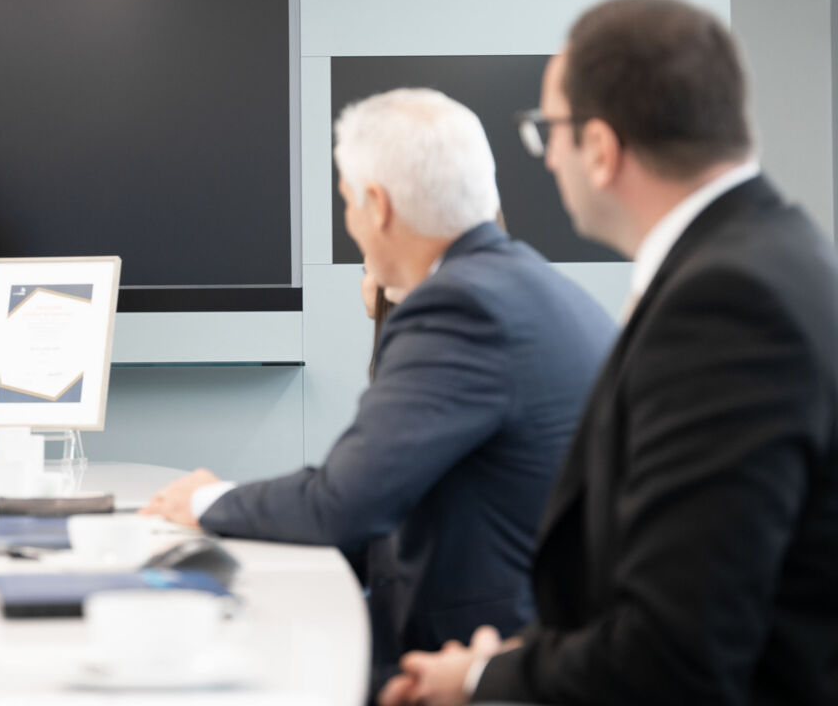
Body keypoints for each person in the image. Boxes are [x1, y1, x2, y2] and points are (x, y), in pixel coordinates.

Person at [380, 0, 838, 706]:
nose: (547, 158)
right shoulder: (777, 254)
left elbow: (675, 654)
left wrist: (479, 679)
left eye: (548, 131)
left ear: (599, 148)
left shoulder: (724, 305)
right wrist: (511, 661)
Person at [142, 89, 616, 680]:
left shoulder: (459, 306)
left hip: (467, 660)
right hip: (524, 640)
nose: (350, 225)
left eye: (347, 203)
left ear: (377, 204)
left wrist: (205, 502)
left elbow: (343, 502)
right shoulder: (530, 287)